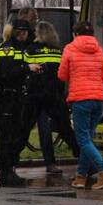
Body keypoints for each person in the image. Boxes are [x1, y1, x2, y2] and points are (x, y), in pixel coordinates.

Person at [58, 20, 103, 190]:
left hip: (80, 99)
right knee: (87, 140)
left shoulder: (69, 49)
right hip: (98, 99)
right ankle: (81, 177)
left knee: (83, 140)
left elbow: (62, 75)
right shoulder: (99, 50)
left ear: (75, 34)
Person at [0, 18, 41, 187]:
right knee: (7, 135)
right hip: (6, 97)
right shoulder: (7, 48)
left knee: (18, 134)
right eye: (24, 33)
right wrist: (28, 68)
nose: (25, 36)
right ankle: (6, 171)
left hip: (17, 97)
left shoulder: (20, 48)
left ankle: (10, 168)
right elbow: (6, 73)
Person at [25, 21, 79, 174]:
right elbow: (64, 74)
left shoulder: (32, 50)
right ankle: (82, 155)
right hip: (56, 95)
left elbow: (27, 71)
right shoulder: (58, 51)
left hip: (38, 97)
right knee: (66, 129)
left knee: (43, 130)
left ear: (39, 33)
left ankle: (50, 163)